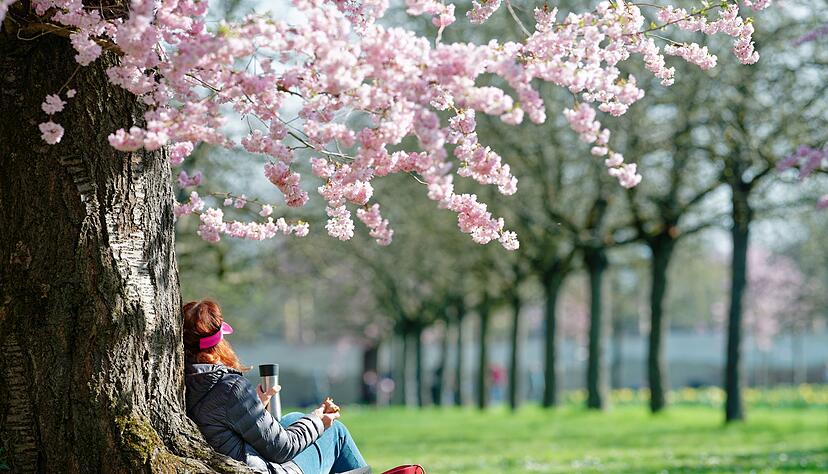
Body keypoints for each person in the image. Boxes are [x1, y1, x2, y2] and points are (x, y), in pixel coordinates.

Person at [183, 299, 370, 474]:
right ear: (219, 342)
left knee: (294, 418)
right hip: (258, 470)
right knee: (335, 432)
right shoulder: (230, 388)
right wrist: (319, 420)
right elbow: (282, 449)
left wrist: (254, 406)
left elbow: (220, 422)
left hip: (240, 459)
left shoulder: (188, 381)